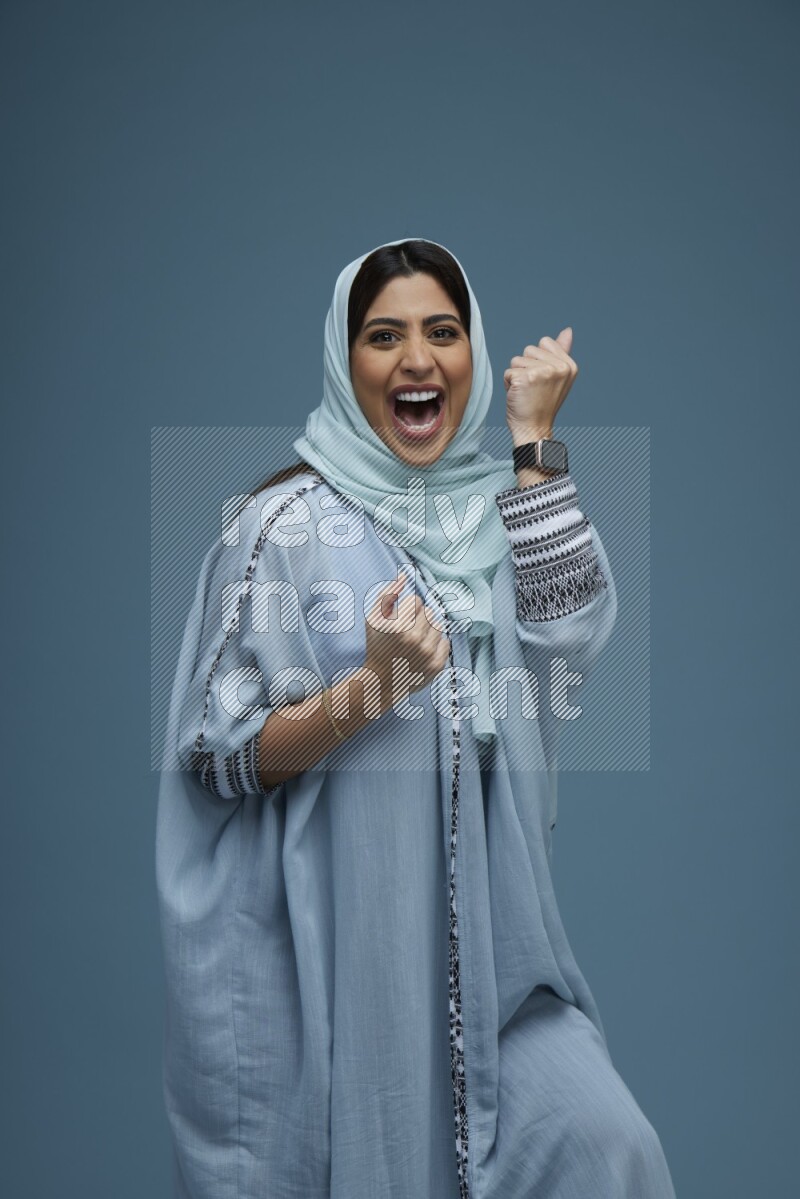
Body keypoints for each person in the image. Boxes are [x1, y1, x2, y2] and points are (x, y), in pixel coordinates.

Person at [156, 237, 676, 1198]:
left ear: (473, 355)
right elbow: (215, 756)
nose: (416, 358)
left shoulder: (500, 507)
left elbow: (570, 633)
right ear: (344, 363)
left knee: (610, 1146)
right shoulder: (282, 531)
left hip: (499, 968)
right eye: (384, 336)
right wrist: (372, 691)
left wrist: (533, 444)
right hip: (343, 967)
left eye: (443, 330)